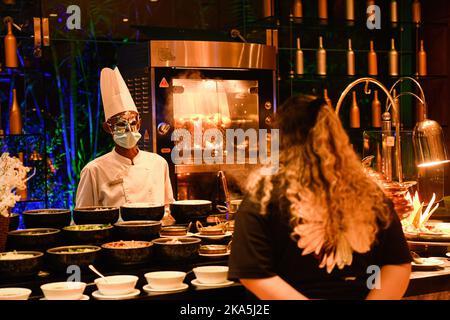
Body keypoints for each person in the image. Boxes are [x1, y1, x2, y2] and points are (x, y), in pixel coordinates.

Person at [228, 95, 412, 300]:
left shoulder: (263, 196)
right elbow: (398, 264)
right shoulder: (369, 192)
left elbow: (253, 273)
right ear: (337, 137)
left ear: (282, 140)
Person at [75, 67, 174, 215]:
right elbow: (83, 219)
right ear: (108, 128)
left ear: (139, 123)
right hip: (115, 238)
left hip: (155, 236)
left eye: (132, 123)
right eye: (121, 124)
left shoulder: (159, 164)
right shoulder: (93, 171)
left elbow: (168, 209)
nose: (129, 129)